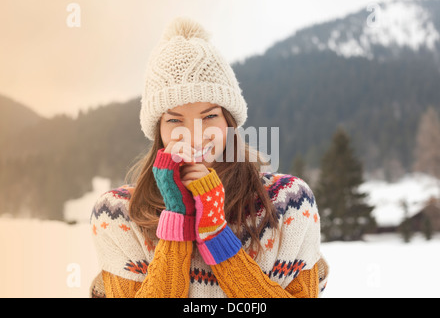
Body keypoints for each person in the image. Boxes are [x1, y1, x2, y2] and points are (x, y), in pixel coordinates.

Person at [90, 17, 329, 298]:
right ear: (159, 131)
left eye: (210, 116)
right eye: (175, 120)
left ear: (230, 121)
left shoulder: (289, 202)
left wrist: (217, 234)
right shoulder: (118, 213)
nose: (194, 135)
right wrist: (177, 218)